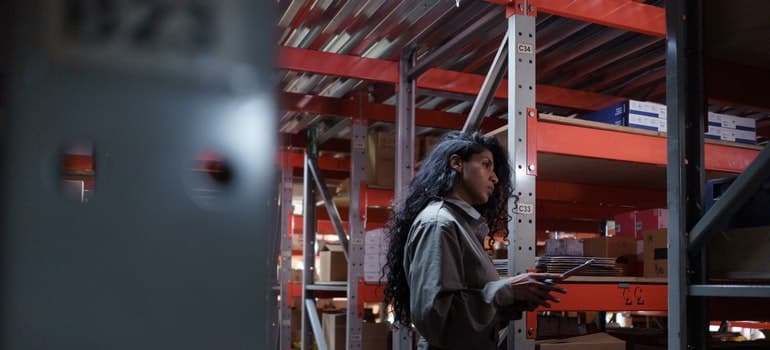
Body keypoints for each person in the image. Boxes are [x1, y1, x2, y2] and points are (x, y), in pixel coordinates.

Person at [383, 131, 566, 350]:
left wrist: (515, 299)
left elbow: (467, 315)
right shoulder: (440, 224)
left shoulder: (461, 226)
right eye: (486, 165)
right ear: (457, 163)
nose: (495, 177)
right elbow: (438, 318)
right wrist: (505, 290)